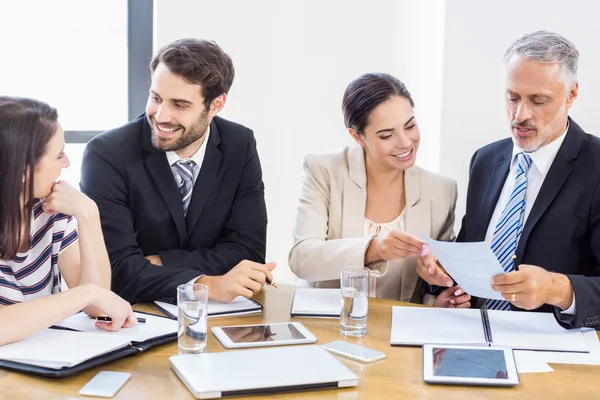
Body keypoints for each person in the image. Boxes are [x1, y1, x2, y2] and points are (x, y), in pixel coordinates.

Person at [418, 30, 600, 329]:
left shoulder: (595, 167)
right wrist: (440, 273)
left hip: (555, 356)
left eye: (538, 100)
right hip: (473, 336)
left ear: (572, 95)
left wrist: (559, 289)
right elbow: (472, 254)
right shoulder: (485, 160)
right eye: (512, 97)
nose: (520, 114)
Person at [81, 39, 274, 304]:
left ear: (216, 105)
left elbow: (249, 254)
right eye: (155, 98)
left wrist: (160, 261)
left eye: (180, 105)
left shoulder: (239, 144)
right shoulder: (107, 154)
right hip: (135, 315)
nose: (161, 116)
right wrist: (205, 284)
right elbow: (118, 270)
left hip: (222, 315)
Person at [289, 73, 471, 307]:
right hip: (326, 323)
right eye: (387, 135)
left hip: (399, 332)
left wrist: (437, 300)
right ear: (357, 136)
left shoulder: (441, 191)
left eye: (410, 126)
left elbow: (432, 282)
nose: (405, 142)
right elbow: (302, 259)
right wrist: (373, 248)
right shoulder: (325, 170)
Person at [0, 97, 137, 345]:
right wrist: (85, 294)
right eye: (59, 155)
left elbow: (98, 305)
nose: (67, 163)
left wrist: (88, 214)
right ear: (23, 170)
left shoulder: (50, 211)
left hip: (47, 363)